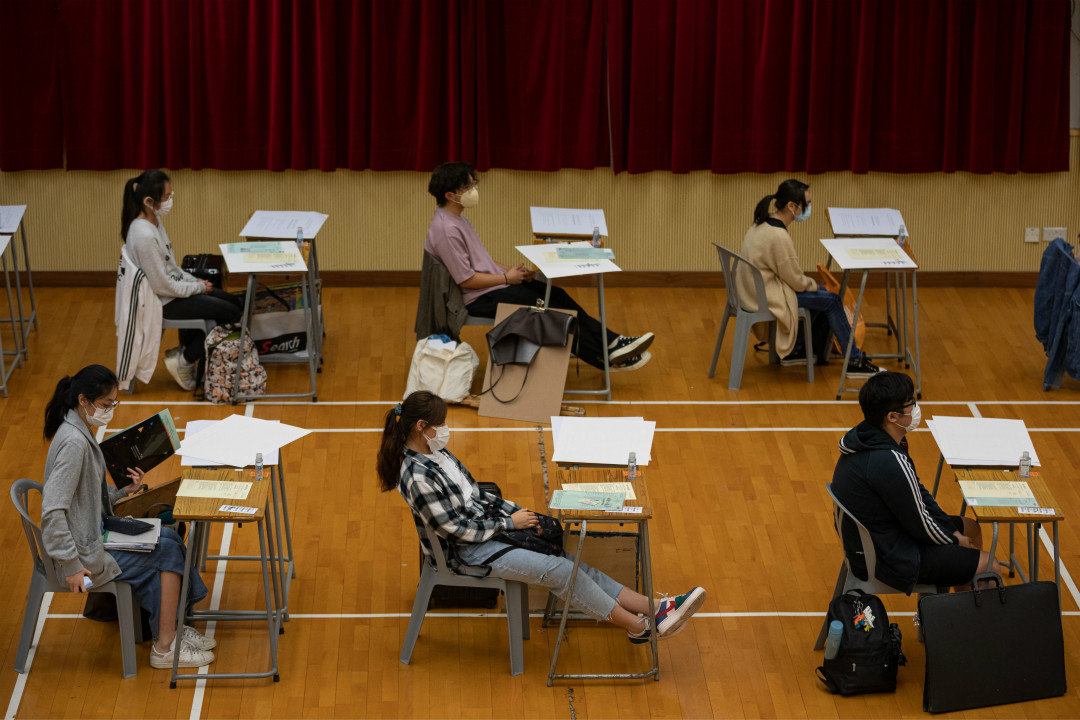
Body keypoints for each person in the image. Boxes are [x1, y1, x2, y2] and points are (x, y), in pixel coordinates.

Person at [377, 390, 706, 644]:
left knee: (568, 561)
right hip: (467, 552)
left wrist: (519, 512)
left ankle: (656, 608)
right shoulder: (417, 477)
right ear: (422, 427)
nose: (445, 429)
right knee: (562, 571)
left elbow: (476, 494)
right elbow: (454, 529)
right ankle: (638, 627)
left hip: (488, 532)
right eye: (441, 424)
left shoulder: (437, 453)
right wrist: (510, 523)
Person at [40, 364, 216, 669]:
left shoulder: (81, 430)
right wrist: (70, 565)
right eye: (107, 405)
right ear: (83, 400)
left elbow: (86, 497)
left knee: (170, 537)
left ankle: (170, 627)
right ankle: (164, 648)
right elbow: (53, 510)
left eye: (113, 403)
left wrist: (124, 492)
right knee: (167, 554)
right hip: (83, 554)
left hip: (94, 533)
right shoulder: (73, 444)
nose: (110, 410)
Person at [424, 161, 655, 371]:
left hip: (491, 287)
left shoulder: (458, 219)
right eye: (469, 186)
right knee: (551, 312)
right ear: (451, 195)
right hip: (478, 298)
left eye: (474, 183)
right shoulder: (446, 230)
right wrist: (507, 279)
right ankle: (607, 355)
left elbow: (480, 259)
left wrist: (510, 271)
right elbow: (466, 279)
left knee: (557, 295)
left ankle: (612, 343)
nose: (474, 189)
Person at [831, 371, 1000, 592]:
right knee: (990, 566)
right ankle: (967, 621)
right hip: (890, 556)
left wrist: (954, 532)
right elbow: (919, 522)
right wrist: (953, 540)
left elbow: (918, 495)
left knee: (970, 528)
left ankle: (961, 604)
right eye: (911, 403)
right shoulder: (888, 460)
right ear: (892, 416)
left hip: (878, 538)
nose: (916, 408)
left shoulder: (870, 436)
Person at [738, 179, 883, 377]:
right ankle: (854, 361)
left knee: (820, 295)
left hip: (756, 290)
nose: (809, 208)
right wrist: (814, 285)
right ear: (792, 206)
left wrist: (813, 287)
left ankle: (796, 350)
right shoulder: (779, 236)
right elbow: (796, 280)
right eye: (807, 203)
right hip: (768, 296)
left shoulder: (761, 223)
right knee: (831, 299)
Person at [121, 169, 243, 390]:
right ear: (149, 201)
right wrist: (196, 287)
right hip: (162, 301)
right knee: (231, 314)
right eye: (166, 197)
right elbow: (161, 286)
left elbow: (171, 267)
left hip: (171, 290)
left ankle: (184, 353)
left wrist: (195, 282)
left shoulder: (154, 222)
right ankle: (184, 360)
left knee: (235, 304)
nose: (169, 201)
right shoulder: (144, 236)